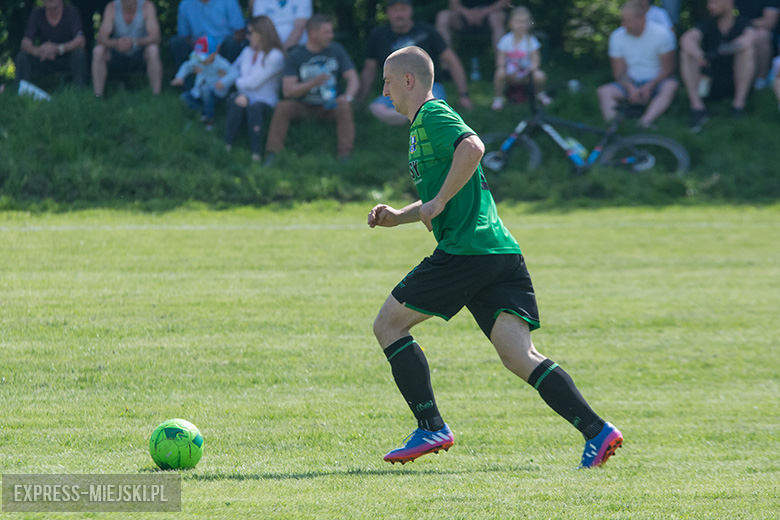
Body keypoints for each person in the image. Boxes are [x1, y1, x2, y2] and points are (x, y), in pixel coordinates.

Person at [367, 45, 624, 468]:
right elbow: (438, 200)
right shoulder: (419, 130)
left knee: (388, 325)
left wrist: (437, 201)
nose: (384, 89)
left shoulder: (432, 116)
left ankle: (431, 425)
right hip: (499, 252)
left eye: (387, 82)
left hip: (466, 253)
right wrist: (402, 216)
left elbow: (473, 147)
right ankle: (598, 432)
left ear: (408, 81)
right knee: (518, 355)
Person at [263, 15, 359, 165]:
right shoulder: (296, 55)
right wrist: (312, 83)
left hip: (330, 105)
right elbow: (288, 91)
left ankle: (345, 156)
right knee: (283, 107)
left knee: (345, 106)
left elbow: (353, 78)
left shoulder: (336, 50)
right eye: (327, 32)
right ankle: (272, 154)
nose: (331, 36)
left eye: (331, 32)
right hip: (304, 106)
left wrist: (348, 96)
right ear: (312, 33)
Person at [359, 0, 472, 126]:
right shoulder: (378, 36)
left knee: (432, 108)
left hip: (428, 86)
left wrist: (464, 95)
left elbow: (452, 61)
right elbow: (369, 70)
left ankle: (411, 116)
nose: (399, 14)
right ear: (388, 12)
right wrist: (360, 101)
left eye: (403, 9)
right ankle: (415, 117)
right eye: (395, 10)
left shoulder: (428, 32)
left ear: (410, 10)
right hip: (395, 89)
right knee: (375, 109)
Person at [597, 0, 678, 129]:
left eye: (628, 20)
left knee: (670, 85)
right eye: (623, 20)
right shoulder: (617, 37)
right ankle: (615, 126)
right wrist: (630, 88)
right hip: (630, 81)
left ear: (642, 19)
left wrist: (650, 86)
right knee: (604, 92)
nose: (624, 25)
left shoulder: (662, 34)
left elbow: (668, 69)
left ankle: (644, 122)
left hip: (656, 81)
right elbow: (618, 72)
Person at [679, 0, 755, 132]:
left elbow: (749, 38)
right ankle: (697, 108)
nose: (709, 7)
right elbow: (687, 38)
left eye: (714, 3)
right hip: (709, 81)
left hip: (735, 81)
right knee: (687, 54)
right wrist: (698, 55)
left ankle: (738, 106)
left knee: (747, 52)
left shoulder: (743, 23)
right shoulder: (707, 24)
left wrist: (726, 49)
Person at [222, 16, 285, 162]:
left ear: (262, 34)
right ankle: (227, 146)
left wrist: (233, 81)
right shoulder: (247, 52)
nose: (247, 37)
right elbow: (233, 70)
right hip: (244, 96)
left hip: (265, 99)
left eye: (250, 33)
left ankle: (256, 153)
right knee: (238, 102)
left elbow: (254, 83)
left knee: (254, 108)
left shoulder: (275, 56)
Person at [91, 0, 162, 97]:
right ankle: (98, 95)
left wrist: (135, 42)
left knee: (153, 50)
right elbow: (101, 38)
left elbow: (156, 37)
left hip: (139, 52)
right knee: (98, 50)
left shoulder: (147, 6)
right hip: (117, 52)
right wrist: (116, 43)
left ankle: (156, 94)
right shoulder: (112, 7)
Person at [15, 0, 89, 89]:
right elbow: (25, 43)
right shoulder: (37, 13)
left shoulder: (71, 11)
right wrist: (38, 51)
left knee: (79, 54)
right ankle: (20, 90)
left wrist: (58, 49)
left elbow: (80, 40)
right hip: (44, 58)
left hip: (66, 58)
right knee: (22, 57)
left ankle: (80, 90)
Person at [490, 6, 550, 111]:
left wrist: (529, 70)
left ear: (528, 24)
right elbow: (500, 59)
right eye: (518, 21)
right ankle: (498, 98)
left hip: (526, 74)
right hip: (510, 73)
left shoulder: (531, 41)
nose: (521, 25)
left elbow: (535, 61)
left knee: (540, 76)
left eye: (524, 22)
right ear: (511, 23)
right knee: (499, 73)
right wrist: (502, 68)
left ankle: (540, 94)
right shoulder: (505, 40)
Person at [171, 35, 233, 130]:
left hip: (216, 92)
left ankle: (210, 121)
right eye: (199, 56)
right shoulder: (197, 60)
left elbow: (233, 72)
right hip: (198, 91)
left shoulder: (220, 63)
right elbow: (187, 66)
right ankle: (203, 113)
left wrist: (224, 82)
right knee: (184, 97)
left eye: (203, 57)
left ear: (214, 54)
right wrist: (179, 77)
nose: (200, 60)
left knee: (206, 90)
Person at [169, 0, 246, 69]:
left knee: (231, 43)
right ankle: (186, 81)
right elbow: (184, 36)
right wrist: (200, 49)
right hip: (197, 49)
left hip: (223, 47)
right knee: (176, 42)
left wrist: (217, 48)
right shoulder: (185, 4)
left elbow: (240, 31)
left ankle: (228, 80)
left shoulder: (229, 1)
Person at [734, 0, 780, 88]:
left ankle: (761, 81)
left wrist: (744, 24)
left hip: (766, 35)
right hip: (739, 31)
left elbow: (769, 22)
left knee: (762, 36)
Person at [435, 0, 510, 51]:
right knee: (443, 17)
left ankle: (501, 65)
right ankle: (445, 64)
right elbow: (453, 3)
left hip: (491, 15)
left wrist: (483, 12)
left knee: (496, 18)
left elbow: (505, 2)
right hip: (463, 17)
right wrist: (467, 13)